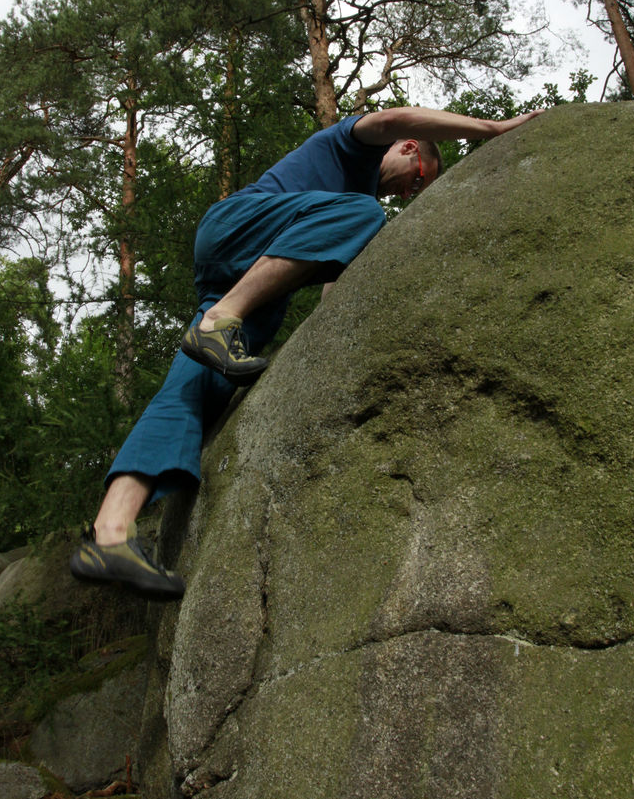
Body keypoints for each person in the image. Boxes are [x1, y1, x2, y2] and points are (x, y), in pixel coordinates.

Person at [69, 104, 541, 599]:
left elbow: (332, 294)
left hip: (248, 286)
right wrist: (491, 128)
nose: (408, 192)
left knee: (190, 394)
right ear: (407, 148)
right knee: (363, 212)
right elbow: (396, 115)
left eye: (415, 192)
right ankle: (218, 323)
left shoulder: (341, 219)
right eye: (416, 178)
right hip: (236, 228)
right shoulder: (353, 147)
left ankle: (110, 536)